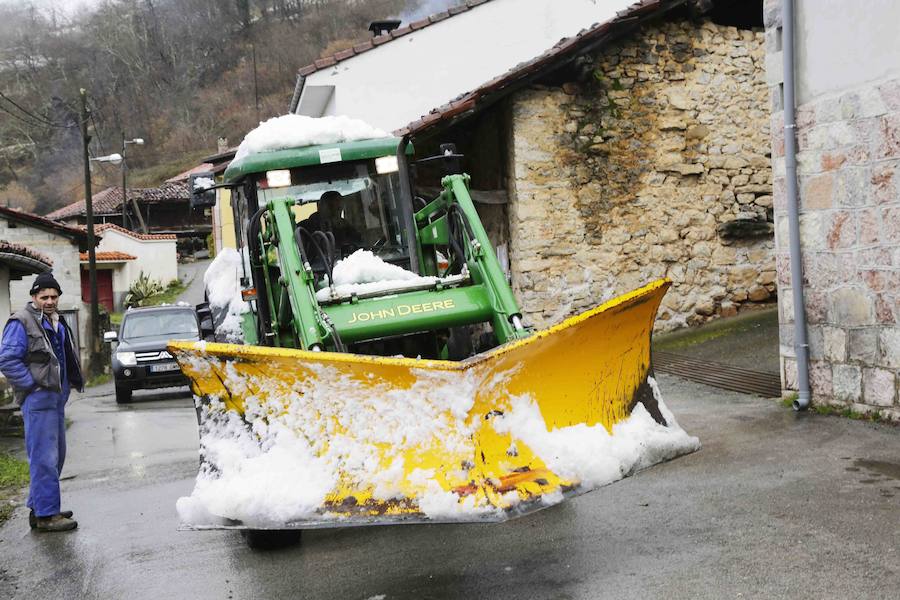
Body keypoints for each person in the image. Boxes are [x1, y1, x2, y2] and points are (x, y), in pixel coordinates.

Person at [0, 272, 83, 532]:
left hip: (55, 399)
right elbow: (7, 359)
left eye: (53, 296)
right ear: (34, 297)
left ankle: (39, 507)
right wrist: (31, 386)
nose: (49, 301)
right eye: (44, 296)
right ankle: (48, 515)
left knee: (56, 456)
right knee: (44, 458)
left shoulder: (55, 321)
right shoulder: (21, 321)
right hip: (38, 398)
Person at [300, 191, 363, 257]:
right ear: (319, 206)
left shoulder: (348, 229)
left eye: (338, 208)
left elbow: (360, 247)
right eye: (331, 206)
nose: (334, 211)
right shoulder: (304, 229)